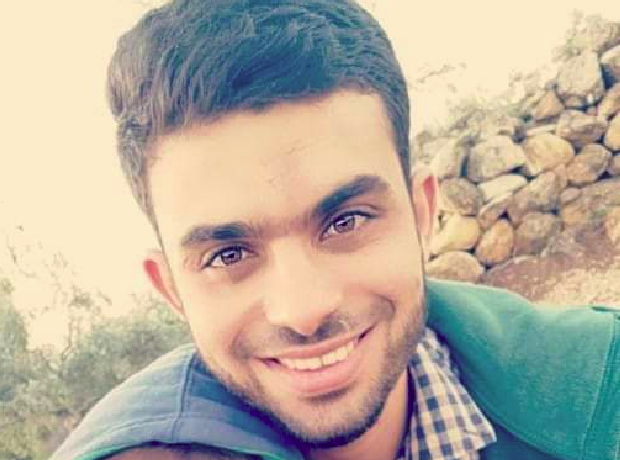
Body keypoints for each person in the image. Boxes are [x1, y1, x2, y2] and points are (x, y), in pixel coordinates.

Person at [51, 1, 620, 459]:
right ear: (172, 289)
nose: (303, 311)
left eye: (345, 221)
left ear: (423, 215)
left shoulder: (600, 383)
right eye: (228, 254)